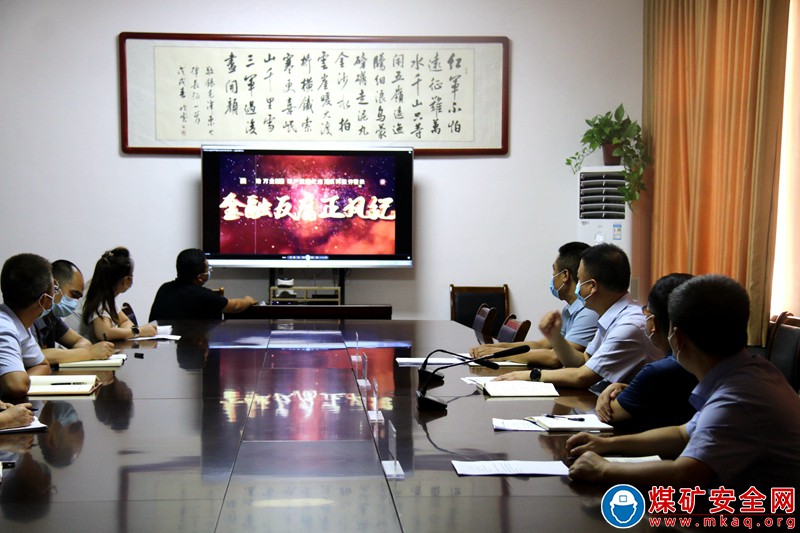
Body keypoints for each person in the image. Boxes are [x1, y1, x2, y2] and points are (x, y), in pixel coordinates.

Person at [567, 274, 800, 491]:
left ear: (677, 338)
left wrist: (603, 468)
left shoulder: (737, 398)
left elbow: (686, 474)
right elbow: (682, 434)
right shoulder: (752, 371)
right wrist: (606, 445)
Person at [494, 243, 661, 389]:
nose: (577, 286)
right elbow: (582, 360)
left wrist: (531, 375)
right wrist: (556, 337)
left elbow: (582, 377)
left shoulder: (629, 325)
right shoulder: (611, 315)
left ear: (592, 286)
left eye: (580, 279)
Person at [468, 242, 599, 368]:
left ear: (565, 275)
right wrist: (495, 347)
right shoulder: (569, 309)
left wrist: (500, 355)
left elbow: (556, 358)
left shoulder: (588, 312)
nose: (552, 277)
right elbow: (541, 345)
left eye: (554, 271)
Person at [595, 273, 698, 431]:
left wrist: (608, 391)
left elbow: (611, 413)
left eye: (646, 313)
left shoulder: (660, 371)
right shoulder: (703, 360)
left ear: (653, 322)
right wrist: (627, 388)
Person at [33, 260, 115, 364]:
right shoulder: (30, 315)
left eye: (78, 298)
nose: (74, 303)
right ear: (54, 286)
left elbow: (82, 341)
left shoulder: (51, 317)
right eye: (74, 295)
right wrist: (88, 353)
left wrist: (79, 353)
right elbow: (34, 355)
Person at [149, 248, 258, 322]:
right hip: (189, 346)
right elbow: (236, 306)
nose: (209, 271)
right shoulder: (202, 295)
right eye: (208, 268)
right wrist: (248, 300)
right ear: (200, 277)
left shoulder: (164, 288)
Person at [0, 253, 53, 399]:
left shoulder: (19, 323)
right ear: (44, 300)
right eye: (54, 289)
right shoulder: (3, 326)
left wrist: (24, 378)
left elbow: (43, 366)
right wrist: (19, 380)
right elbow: (17, 386)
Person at [82, 247, 157, 342]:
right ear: (126, 280)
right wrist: (139, 331)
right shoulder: (97, 295)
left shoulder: (103, 289)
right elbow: (104, 333)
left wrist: (126, 332)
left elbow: (125, 321)